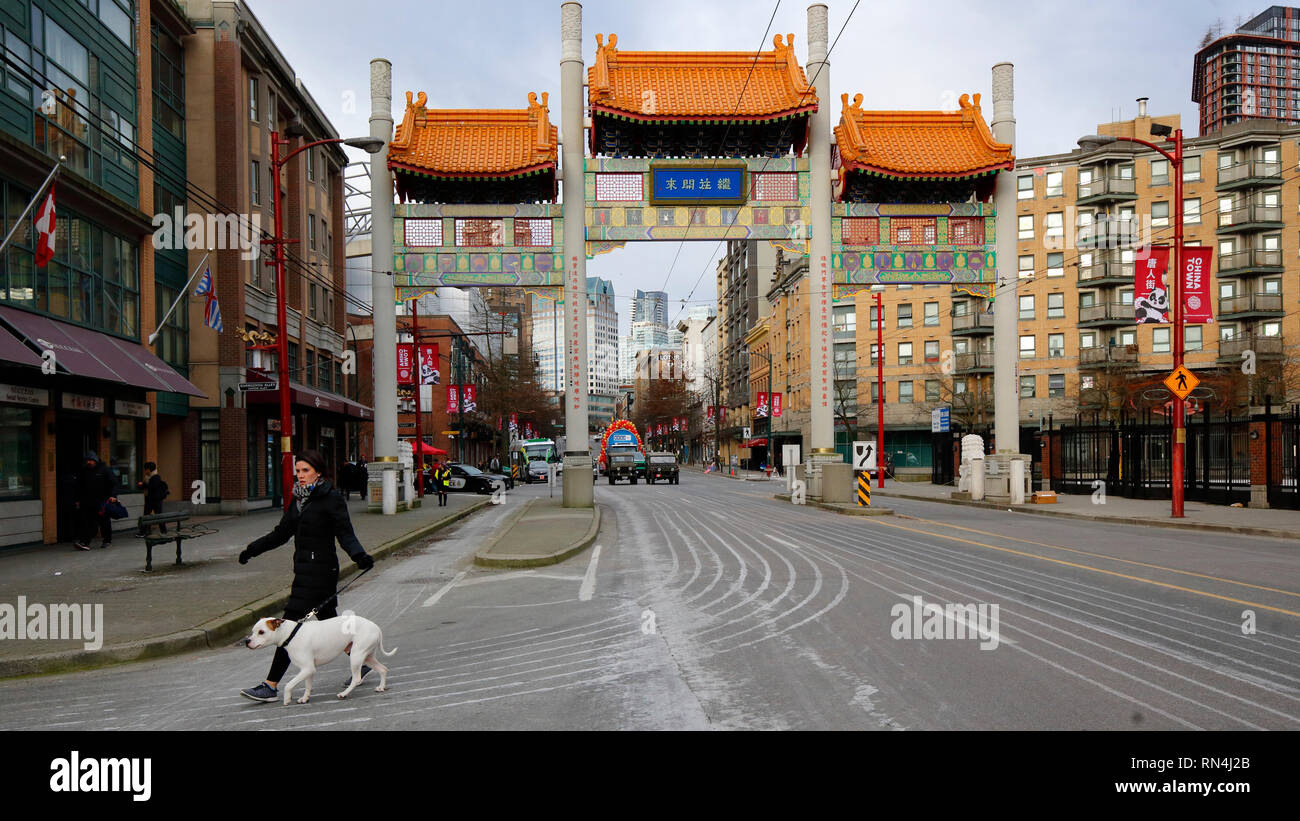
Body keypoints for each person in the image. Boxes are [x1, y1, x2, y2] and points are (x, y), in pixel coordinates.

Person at [236, 449, 375, 703]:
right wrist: (252, 549)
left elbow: (345, 533)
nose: (300, 476)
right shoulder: (298, 500)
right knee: (329, 620)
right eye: (297, 471)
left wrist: (360, 556)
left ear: (318, 472)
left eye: (305, 471)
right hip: (303, 571)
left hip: (321, 572)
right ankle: (362, 662)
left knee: (288, 628)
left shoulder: (331, 499)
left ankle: (270, 685)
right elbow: (281, 533)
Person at [75, 451, 118, 550]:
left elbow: (114, 483)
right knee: (88, 522)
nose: (88, 462)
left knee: (104, 522)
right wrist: (78, 499)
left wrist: (113, 495)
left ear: (96, 460)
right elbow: (79, 486)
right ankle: (85, 542)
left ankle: (107, 540)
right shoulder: (84, 471)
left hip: (102, 501)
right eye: (87, 460)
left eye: (90, 460)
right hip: (88, 501)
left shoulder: (104, 470)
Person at [135, 462, 169, 536]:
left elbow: (151, 487)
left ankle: (162, 531)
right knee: (149, 515)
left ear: (149, 469)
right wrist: (143, 485)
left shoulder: (155, 477)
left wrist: (143, 485)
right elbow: (148, 486)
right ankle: (147, 531)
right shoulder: (149, 477)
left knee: (153, 516)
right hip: (151, 499)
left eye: (146, 469)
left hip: (154, 500)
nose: (145, 471)